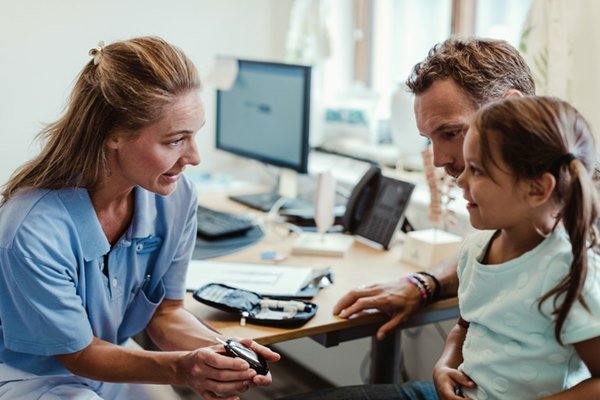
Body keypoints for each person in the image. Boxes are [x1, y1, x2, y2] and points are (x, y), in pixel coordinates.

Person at [0, 36, 280, 400]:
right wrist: (182, 368)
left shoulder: (175, 198)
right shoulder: (31, 230)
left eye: (194, 136)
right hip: (30, 377)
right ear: (114, 136)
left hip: (111, 362)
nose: (194, 157)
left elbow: (166, 314)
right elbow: (78, 353)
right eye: (175, 141)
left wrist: (219, 353)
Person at [279, 37, 535, 400]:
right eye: (429, 140)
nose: (440, 159)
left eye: (450, 133)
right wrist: (423, 283)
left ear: (511, 110)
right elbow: (480, 252)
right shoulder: (499, 200)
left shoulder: (580, 216)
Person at [435, 96, 600, 399]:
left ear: (536, 189)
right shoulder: (474, 251)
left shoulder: (568, 270)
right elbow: (464, 327)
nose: (460, 180)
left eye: (477, 170)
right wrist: (444, 365)